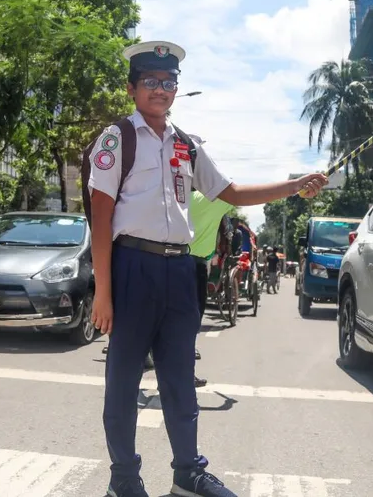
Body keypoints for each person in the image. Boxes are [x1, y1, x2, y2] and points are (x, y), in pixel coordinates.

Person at [87, 40, 327, 497]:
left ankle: (188, 474)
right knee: (124, 379)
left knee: (180, 376)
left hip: (181, 270)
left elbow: (231, 193)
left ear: (177, 89)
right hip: (132, 265)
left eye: (168, 82)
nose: (160, 89)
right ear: (132, 88)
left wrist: (294, 185)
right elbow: (101, 215)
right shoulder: (118, 138)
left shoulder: (186, 144)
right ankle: (124, 480)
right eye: (150, 81)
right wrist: (103, 291)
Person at [188, 189, 235, 389]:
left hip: (168, 262)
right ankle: (186, 374)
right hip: (195, 265)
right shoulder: (213, 199)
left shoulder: (176, 197)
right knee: (191, 323)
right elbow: (242, 193)